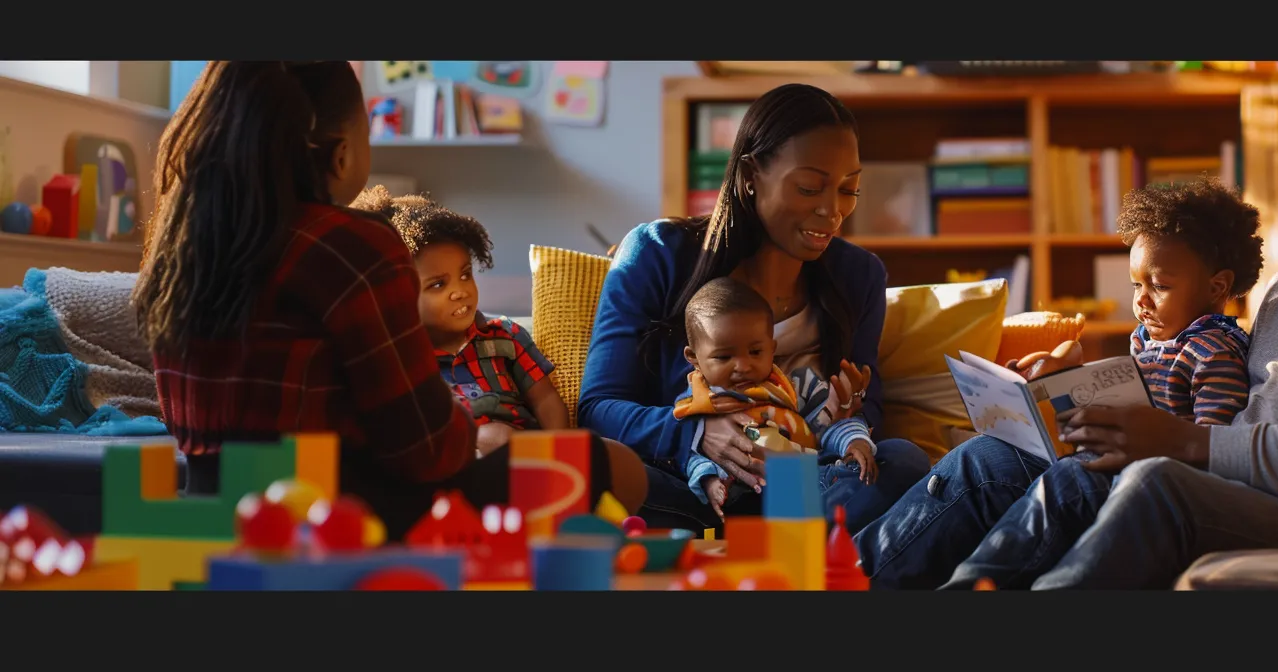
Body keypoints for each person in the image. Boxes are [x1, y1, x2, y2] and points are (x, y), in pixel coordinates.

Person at [855, 60, 1278, 590]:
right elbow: (1210, 396)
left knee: (1154, 485)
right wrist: (1085, 396)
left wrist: (1185, 446)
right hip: (1229, 488)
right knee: (1006, 461)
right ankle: (841, 581)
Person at [134, 61, 645, 538]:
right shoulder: (354, 244)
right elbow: (426, 451)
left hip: (213, 508)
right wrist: (471, 431)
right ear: (340, 153)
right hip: (339, 514)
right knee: (617, 464)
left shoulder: (181, 251)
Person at [579, 83, 930, 535]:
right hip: (691, 485)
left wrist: (851, 415)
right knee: (594, 467)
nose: (832, 211)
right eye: (809, 187)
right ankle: (787, 549)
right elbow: (598, 407)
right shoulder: (658, 253)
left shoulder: (858, 276)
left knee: (901, 459)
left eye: (849, 190)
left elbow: (868, 407)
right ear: (750, 173)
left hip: (806, 487)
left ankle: (775, 545)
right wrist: (697, 432)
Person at [941, 177, 1263, 588]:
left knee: (1058, 488)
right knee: (994, 461)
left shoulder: (1212, 351)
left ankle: (976, 583)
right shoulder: (1149, 339)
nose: (1141, 301)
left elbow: (1211, 445)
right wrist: (1067, 378)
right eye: (1136, 285)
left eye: (1159, 287)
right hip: (1115, 463)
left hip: (1145, 485)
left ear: (1217, 286)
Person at [349, 186, 570, 456]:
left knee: (613, 454)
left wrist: (561, 450)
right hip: (455, 460)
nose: (460, 291)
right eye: (438, 284)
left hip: (529, 456)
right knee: (494, 438)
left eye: (465, 275)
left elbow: (545, 398)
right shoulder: (401, 358)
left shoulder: (505, 336)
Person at [674, 276, 879, 519]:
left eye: (755, 352)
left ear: (772, 349)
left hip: (811, 477)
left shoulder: (796, 387)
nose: (743, 366)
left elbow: (831, 425)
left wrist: (855, 442)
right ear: (694, 357)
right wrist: (708, 480)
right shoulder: (697, 404)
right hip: (745, 494)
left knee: (897, 456)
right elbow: (689, 456)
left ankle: (835, 509)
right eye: (724, 357)